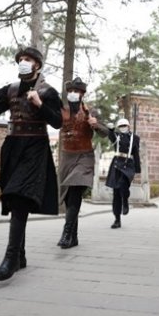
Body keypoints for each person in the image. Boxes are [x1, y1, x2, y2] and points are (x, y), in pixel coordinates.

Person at [0, 47, 62, 281]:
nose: (23, 62)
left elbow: (58, 121)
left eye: (28, 59)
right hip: (12, 147)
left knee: (19, 195)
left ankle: (10, 259)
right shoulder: (11, 89)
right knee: (13, 198)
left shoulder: (48, 91)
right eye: (20, 59)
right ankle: (20, 255)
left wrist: (40, 104)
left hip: (35, 147)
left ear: (37, 64)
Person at [55, 77, 107, 248]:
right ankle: (74, 237)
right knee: (68, 198)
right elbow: (52, 121)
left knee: (75, 191)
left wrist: (96, 124)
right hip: (66, 157)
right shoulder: (61, 111)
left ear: (82, 94)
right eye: (70, 91)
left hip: (84, 156)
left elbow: (105, 132)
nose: (73, 93)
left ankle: (66, 233)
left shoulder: (90, 111)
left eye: (76, 91)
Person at [104, 118, 140, 229]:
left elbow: (136, 153)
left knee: (123, 185)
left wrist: (137, 169)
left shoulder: (135, 138)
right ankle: (117, 219)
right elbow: (111, 137)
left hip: (128, 165)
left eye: (124, 125)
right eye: (120, 126)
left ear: (128, 126)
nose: (122, 127)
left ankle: (125, 200)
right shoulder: (116, 136)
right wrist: (110, 130)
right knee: (116, 193)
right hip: (117, 164)